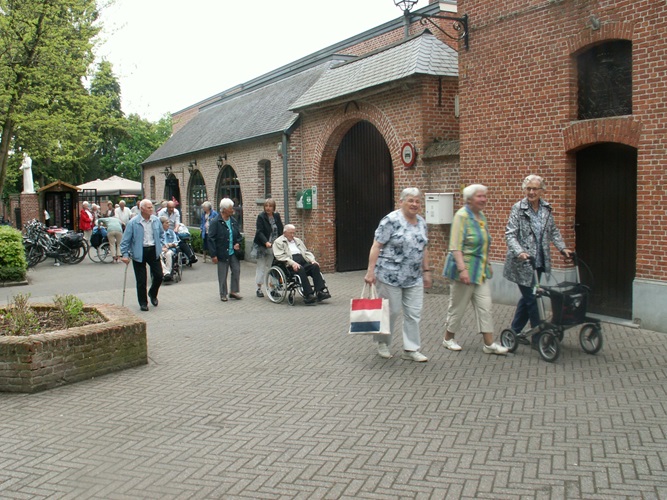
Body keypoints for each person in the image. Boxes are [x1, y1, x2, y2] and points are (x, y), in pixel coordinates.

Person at [364, 188, 431, 361]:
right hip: (389, 275)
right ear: (401, 202)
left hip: (414, 276)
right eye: (410, 200)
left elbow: (423, 248)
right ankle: (383, 343)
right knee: (391, 311)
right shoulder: (391, 220)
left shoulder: (422, 222)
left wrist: (427, 271)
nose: (414, 204)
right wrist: (370, 271)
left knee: (414, 313)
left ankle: (411, 349)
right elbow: (376, 246)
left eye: (417, 201)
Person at [504, 174, 573, 341]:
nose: (531, 192)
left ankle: (515, 331)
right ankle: (539, 337)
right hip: (523, 263)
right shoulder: (518, 208)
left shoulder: (546, 209)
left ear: (542, 191)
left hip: (539, 263)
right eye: (528, 188)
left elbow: (553, 232)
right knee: (533, 299)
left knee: (528, 298)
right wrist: (519, 251)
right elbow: (510, 234)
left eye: (535, 188)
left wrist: (563, 248)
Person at [442, 184, 508, 355]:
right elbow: (455, 246)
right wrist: (462, 269)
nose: (484, 199)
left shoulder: (481, 216)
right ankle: (448, 338)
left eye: (484, 196)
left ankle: (489, 344)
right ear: (469, 199)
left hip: (480, 271)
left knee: (485, 307)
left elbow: (484, 242)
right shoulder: (461, 216)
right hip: (464, 271)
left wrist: (488, 263)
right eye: (480, 196)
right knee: (458, 307)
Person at [120, 199, 164, 312]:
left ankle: (152, 293)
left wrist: (161, 245)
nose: (152, 209)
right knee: (141, 280)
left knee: (159, 275)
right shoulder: (133, 222)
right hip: (139, 252)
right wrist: (125, 255)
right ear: (142, 209)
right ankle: (143, 303)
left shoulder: (156, 220)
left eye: (151, 207)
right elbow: (125, 240)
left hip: (153, 250)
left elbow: (161, 234)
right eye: (149, 207)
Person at [273, 224, 330, 305]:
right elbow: (280, 256)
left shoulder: (297, 240)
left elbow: (306, 252)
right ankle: (308, 295)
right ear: (284, 232)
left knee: (315, 266)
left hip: (302, 260)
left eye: (294, 233)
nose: (292, 235)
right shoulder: (278, 242)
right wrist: (292, 263)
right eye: (290, 233)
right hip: (289, 264)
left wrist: (312, 260)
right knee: (300, 268)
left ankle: (320, 291)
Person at [208, 198, 243, 301]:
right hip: (222, 252)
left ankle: (233, 291)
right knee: (223, 274)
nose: (232, 210)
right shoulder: (215, 222)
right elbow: (211, 239)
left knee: (236, 270)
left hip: (233, 252)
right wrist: (213, 255)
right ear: (224, 210)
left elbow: (238, 235)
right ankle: (223, 293)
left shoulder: (233, 221)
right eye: (230, 208)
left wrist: (238, 243)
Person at [253, 198, 283, 297]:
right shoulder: (261, 217)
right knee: (261, 267)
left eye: (270, 206)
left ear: (274, 207)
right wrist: (266, 242)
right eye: (266, 206)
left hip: (274, 246)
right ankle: (259, 288)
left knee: (273, 267)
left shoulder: (276, 216)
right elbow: (259, 231)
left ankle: (273, 288)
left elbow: (280, 229)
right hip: (263, 245)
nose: (268, 208)